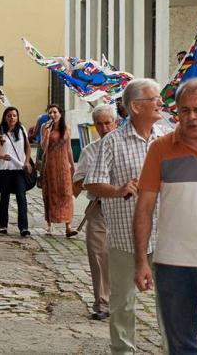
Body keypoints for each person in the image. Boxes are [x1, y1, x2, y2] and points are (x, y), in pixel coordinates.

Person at [134, 78, 197, 354]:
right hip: (173, 265)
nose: (191, 117)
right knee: (181, 346)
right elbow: (144, 207)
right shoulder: (160, 149)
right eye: (184, 110)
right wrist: (140, 261)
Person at [84, 78, 168, 355]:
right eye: (154, 98)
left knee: (171, 303)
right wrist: (119, 190)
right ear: (135, 106)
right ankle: (123, 351)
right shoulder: (112, 143)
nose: (160, 102)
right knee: (122, 303)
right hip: (124, 237)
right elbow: (92, 184)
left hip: (167, 235)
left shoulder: (168, 136)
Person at [72, 104, 118, 321]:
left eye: (107, 123)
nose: (104, 128)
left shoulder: (126, 147)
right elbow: (78, 183)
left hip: (124, 208)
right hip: (99, 209)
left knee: (124, 257)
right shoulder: (89, 150)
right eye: (99, 124)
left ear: (115, 123)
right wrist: (95, 179)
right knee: (98, 256)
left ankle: (123, 299)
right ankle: (102, 303)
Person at [0, 106, 32, 237]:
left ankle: (23, 227)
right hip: (3, 168)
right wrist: (0, 144)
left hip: (18, 168)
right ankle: (3, 225)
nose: (12, 118)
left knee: (21, 197)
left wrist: (26, 161)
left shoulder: (21, 130)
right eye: (9, 115)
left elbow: (28, 147)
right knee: (4, 197)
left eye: (14, 115)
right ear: (5, 117)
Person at [40, 104, 77, 237]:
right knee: (50, 193)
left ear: (60, 114)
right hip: (50, 165)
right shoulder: (45, 128)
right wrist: (47, 134)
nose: (52, 115)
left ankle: (68, 225)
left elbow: (69, 149)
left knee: (67, 193)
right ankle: (49, 225)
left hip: (63, 165)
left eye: (55, 112)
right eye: (50, 113)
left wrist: (72, 165)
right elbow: (43, 147)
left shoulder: (67, 129)